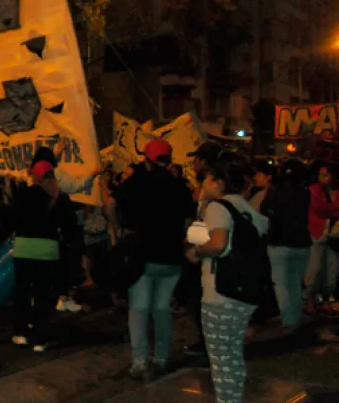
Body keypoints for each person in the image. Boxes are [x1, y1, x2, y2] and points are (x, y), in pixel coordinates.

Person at [185, 155, 269, 403]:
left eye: (208, 179)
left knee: (221, 361)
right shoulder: (247, 208)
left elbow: (218, 244)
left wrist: (197, 252)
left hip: (221, 293)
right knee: (233, 356)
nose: (203, 183)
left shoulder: (218, 207)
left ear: (220, 182)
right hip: (244, 293)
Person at [113, 139, 195, 378]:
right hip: (171, 257)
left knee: (139, 308)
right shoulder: (179, 186)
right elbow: (189, 219)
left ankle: (139, 361)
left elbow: (114, 206)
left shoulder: (136, 183)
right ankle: (162, 357)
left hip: (143, 256)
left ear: (147, 160)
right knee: (161, 309)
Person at [11, 160, 61, 352]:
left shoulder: (23, 194)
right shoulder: (55, 195)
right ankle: (40, 338)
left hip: (23, 247)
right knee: (42, 294)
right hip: (46, 250)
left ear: (35, 176)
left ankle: (21, 332)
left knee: (22, 292)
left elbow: (13, 218)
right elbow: (63, 222)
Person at [260, 159, 311, 333]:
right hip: (302, 242)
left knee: (281, 283)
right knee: (295, 282)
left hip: (279, 241)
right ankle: (294, 317)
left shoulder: (275, 191)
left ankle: (288, 319)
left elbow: (264, 209)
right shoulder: (305, 193)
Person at [182, 141, 223, 357]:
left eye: (196, 159)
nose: (193, 162)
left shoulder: (214, 187)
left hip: (209, 249)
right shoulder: (204, 186)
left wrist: (196, 249)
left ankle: (211, 342)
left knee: (202, 296)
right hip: (204, 247)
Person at [304, 162, 339, 316]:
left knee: (332, 271)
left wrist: (336, 209)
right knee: (314, 268)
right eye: (320, 175)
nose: (322, 178)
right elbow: (319, 208)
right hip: (317, 233)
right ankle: (310, 300)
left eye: (326, 175)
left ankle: (325, 301)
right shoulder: (314, 190)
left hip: (337, 236)